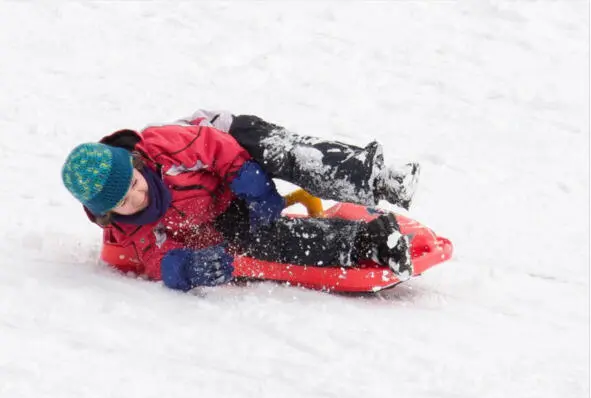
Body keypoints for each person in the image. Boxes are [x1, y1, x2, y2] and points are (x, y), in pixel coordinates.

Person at [61, 110, 418, 292]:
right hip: (221, 208)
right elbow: (156, 256)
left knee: (281, 154)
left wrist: (255, 185)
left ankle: (375, 177)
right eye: (124, 202)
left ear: (137, 164)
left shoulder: (164, 146)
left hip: (232, 145)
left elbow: (216, 148)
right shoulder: (126, 230)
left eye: (135, 183)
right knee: (257, 241)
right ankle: (372, 241)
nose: (138, 196)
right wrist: (184, 267)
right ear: (108, 215)